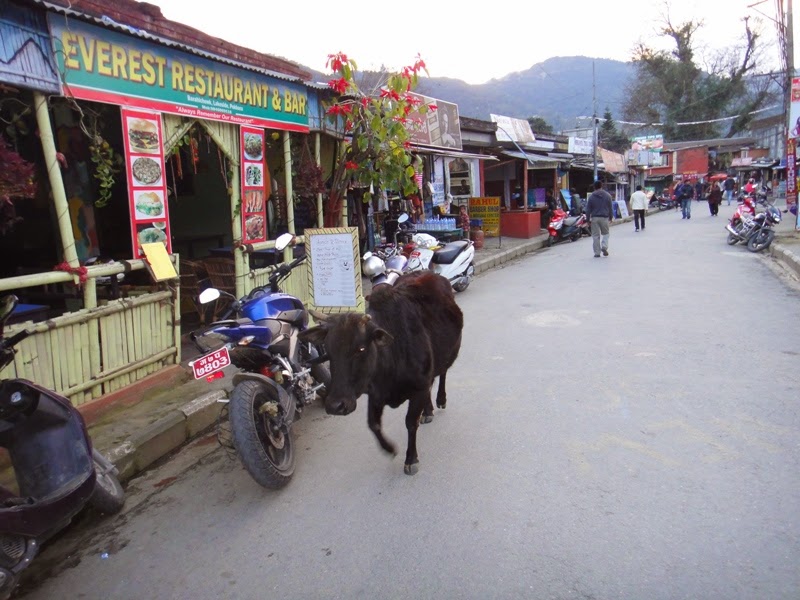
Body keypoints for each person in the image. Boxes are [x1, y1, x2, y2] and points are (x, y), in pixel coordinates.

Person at [585, 180, 613, 257]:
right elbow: (610, 207)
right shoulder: (608, 195)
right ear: (601, 186)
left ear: (594, 187)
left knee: (595, 236)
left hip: (594, 218)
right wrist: (611, 217)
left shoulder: (591, 197)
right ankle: (604, 246)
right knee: (606, 233)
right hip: (604, 218)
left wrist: (587, 220)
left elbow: (588, 209)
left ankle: (597, 252)